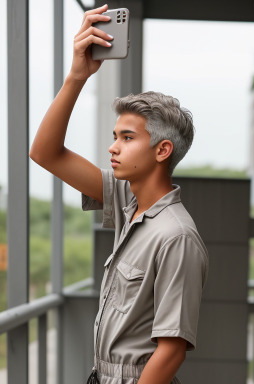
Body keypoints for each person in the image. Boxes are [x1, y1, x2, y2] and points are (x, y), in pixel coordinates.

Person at [29, 4, 208, 384]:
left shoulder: (177, 236)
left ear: (162, 151)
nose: (113, 147)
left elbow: (171, 350)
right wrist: (78, 75)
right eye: (114, 136)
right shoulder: (128, 202)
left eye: (127, 138)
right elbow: (45, 153)